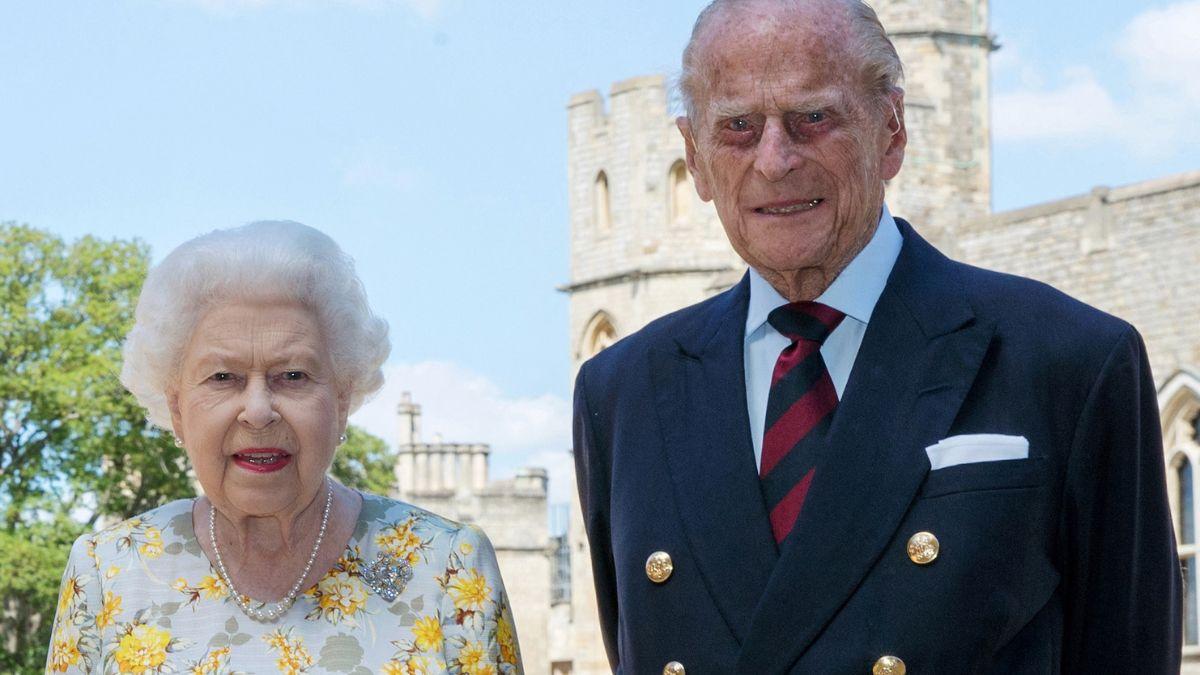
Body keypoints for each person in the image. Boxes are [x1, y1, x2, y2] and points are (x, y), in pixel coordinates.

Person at [571, 1, 1181, 673]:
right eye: (738, 127)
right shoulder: (622, 391)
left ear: (890, 132)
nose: (775, 160)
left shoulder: (1071, 362)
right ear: (695, 156)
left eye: (813, 118)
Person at [46, 221, 522, 673]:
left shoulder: (448, 567)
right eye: (223, 377)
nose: (258, 411)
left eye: (292, 375)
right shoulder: (107, 572)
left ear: (340, 399)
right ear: (176, 409)